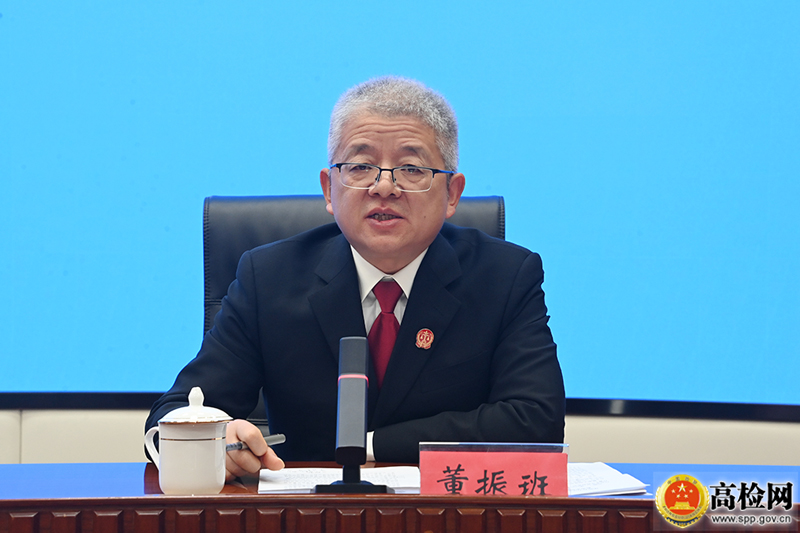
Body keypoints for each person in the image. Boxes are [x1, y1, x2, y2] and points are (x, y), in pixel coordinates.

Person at [146, 76, 565, 481]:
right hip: (308, 514)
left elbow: (537, 421)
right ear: (330, 189)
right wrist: (216, 441)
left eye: (411, 168)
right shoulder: (268, 278)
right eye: (361, 166)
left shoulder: (505, 277)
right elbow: (173, 416)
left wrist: (372, 445)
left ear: (452, 194)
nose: (384, 187)